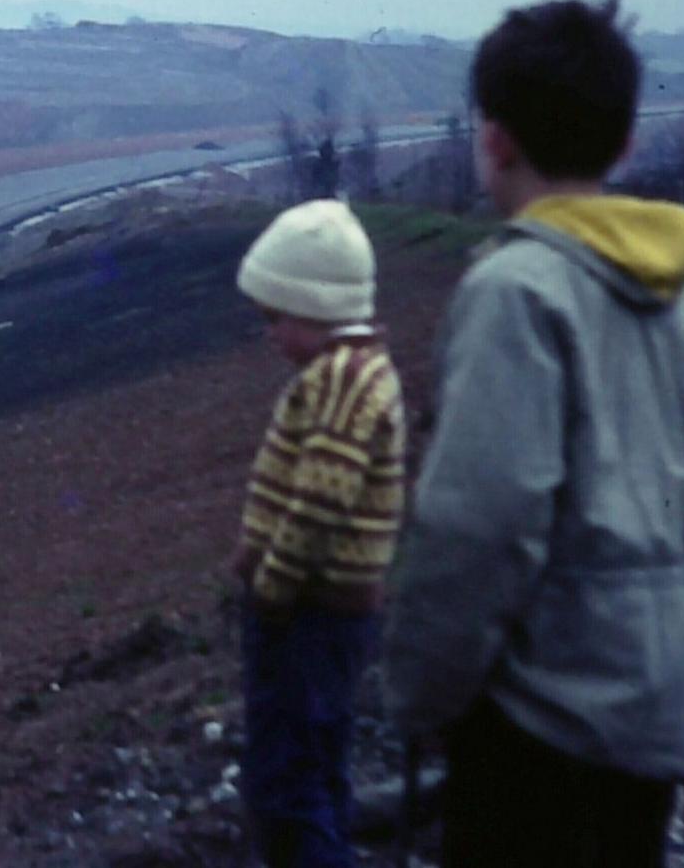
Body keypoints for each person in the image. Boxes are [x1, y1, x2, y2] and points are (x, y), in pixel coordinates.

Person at [385, 0, 684, 867]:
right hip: (657, 709)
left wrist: (421, 692)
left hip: (543, 719)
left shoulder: (518, 292)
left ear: (492, 138)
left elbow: (477, 525)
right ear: (622, 144)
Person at [230, 198, 406, 868]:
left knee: (288, 777)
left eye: (277, 317)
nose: (270, 334)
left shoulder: (341, 381)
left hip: (306, 611)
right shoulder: (357, 374)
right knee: (315, 760)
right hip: (323, 613)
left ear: (318, 310)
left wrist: (271, 585)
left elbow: (320, 502)